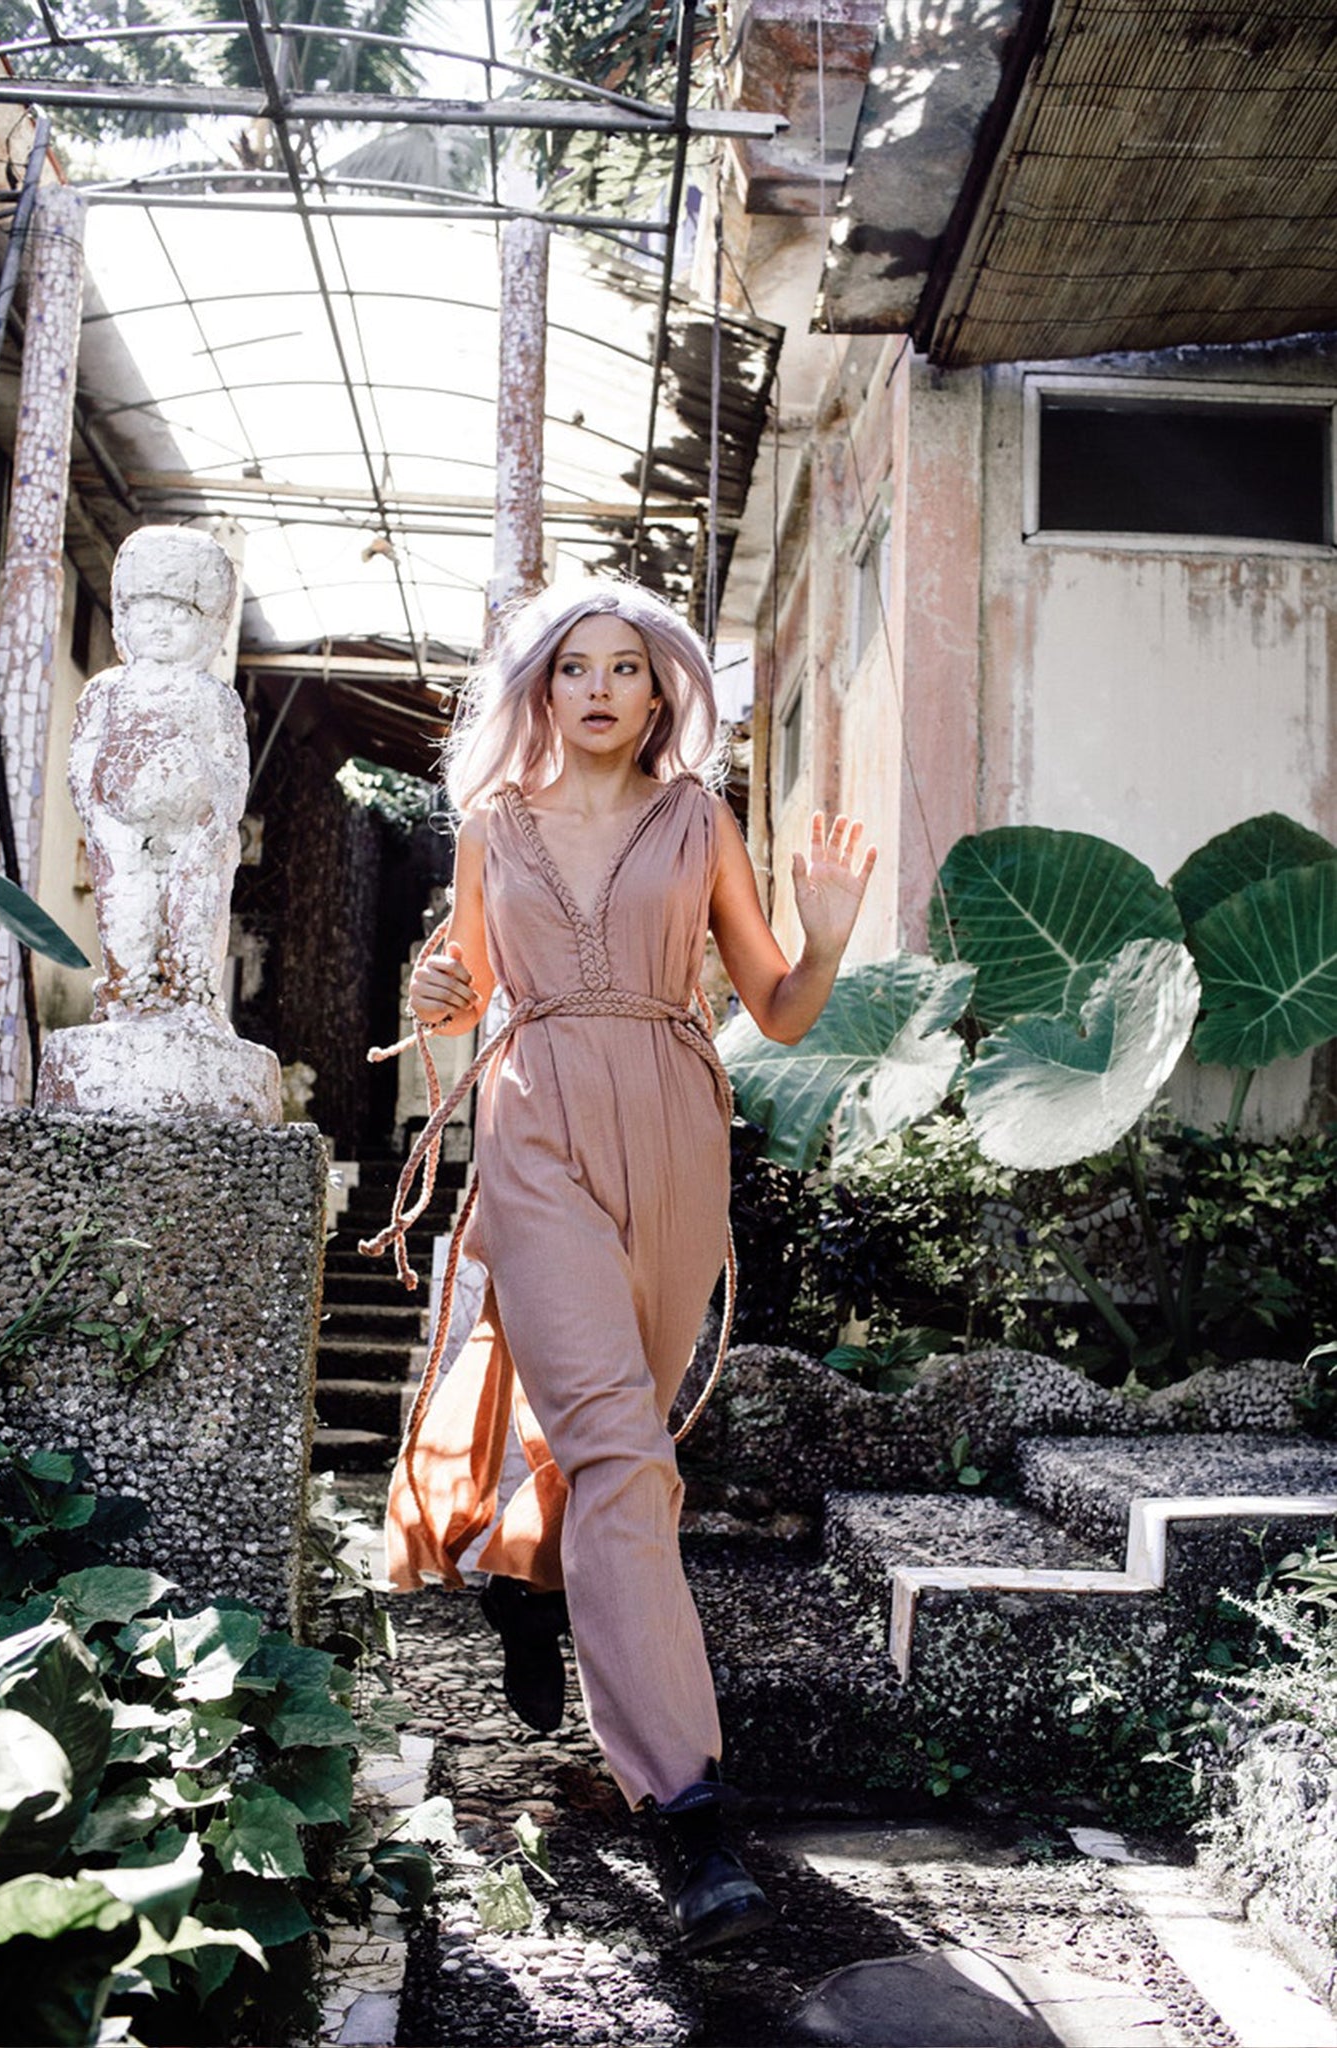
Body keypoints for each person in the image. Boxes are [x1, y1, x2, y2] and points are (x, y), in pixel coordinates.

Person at [378, 577, 874, 1953]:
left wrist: (824, 935)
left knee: (619, 1438)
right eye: (571, 669)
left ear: (661, 696)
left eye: (625, 670)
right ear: (538, 691)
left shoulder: (696, 821)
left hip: (672, 1126)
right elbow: (464, 984)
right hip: (534, 1131)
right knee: (623, 1455)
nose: (598, 689)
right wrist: (435, 988)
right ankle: (689, 1818)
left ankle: (530, 1579)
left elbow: (773, 1003)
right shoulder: (492, 828)